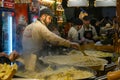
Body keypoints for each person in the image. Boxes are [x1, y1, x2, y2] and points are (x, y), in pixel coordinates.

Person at [22, 6, 80, 71]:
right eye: (49, 18)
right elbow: (52, 38)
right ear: (43, 16)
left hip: (25, 57)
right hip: (34, 59)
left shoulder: (29, 26)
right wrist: (70, 44)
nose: (50, 21)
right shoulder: (40, 26)